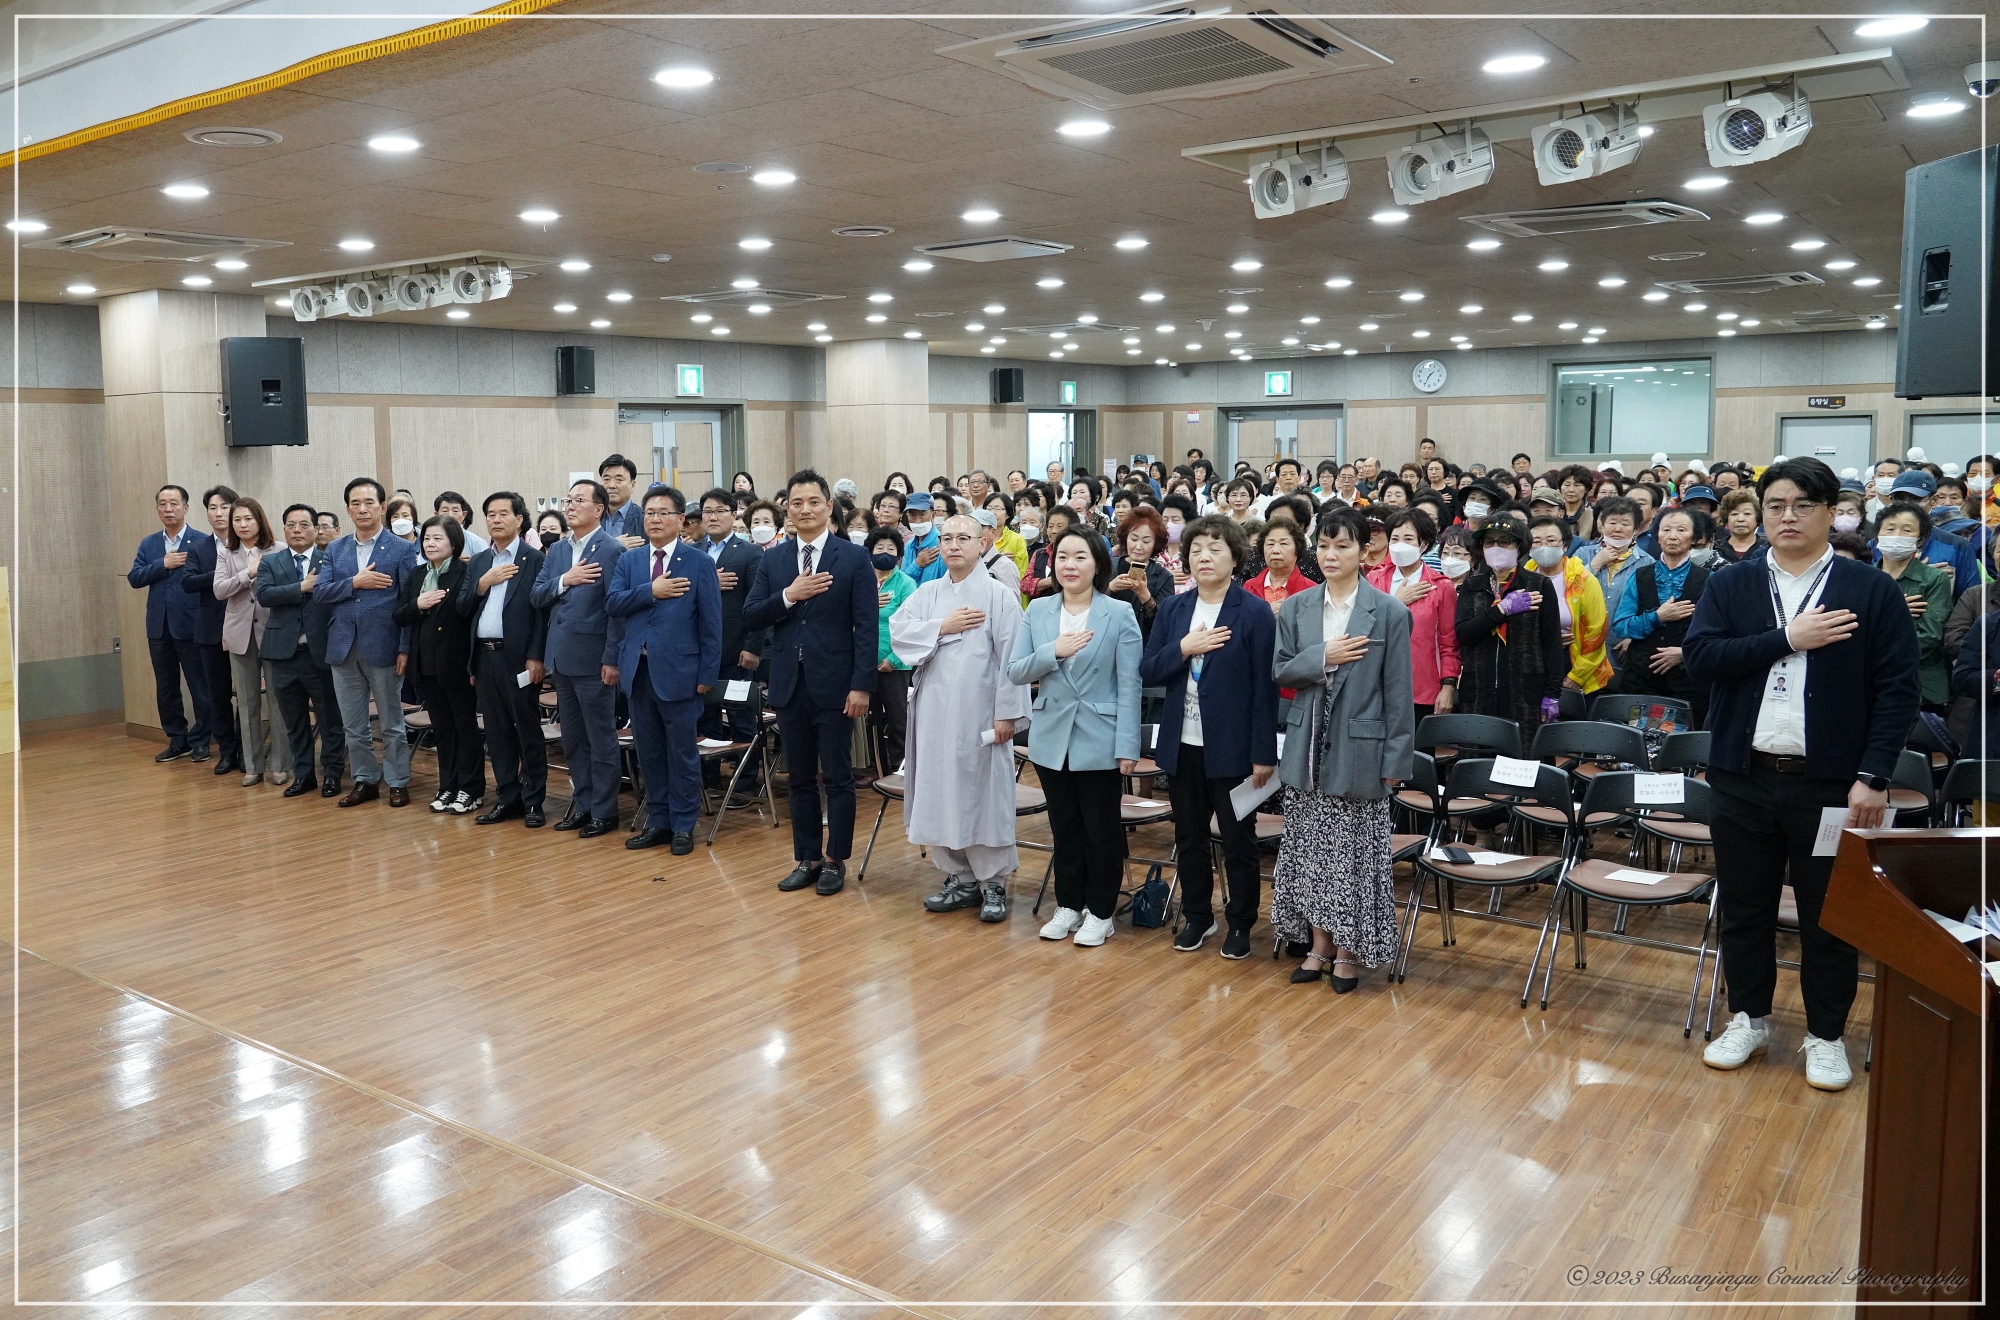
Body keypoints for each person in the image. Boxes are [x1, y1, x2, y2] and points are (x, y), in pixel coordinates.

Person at [1684, 456, 1921, 1091]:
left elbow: (1898, 691)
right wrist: (1788, 637)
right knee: (1745, 907)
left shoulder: (1869, 589)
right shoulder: (1730, 584)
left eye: (1802, 506)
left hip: (1831, 783)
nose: (1787, 517)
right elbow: (1702, 659)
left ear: (1832, 514)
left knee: (1828, 915)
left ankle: (1826, 1033)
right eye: (1774, 507)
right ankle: (1749, 1017)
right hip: (1742, 776)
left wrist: (1873, 775)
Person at [1138, 515, 1278, 959]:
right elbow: (1149, 669)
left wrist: (1262, 754)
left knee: (1238, 841)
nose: (1204, 556)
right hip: (1183, 744)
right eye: (1197, 549)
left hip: (1233, 746)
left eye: (1215, 548)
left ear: (1235, 557)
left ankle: (1240, 922)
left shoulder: (1253, 611)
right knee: (1190, 835)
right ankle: (1198, 915)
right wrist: (1184, 649)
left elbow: (1265, 688)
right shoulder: (1175, 609)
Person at [743, 469, 879, 897]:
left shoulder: (853, 557)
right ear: (787, 509)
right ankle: (807, 858)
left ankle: (836, 859)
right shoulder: (775, 558)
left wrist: (862, 685)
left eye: (813, 502)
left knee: (837, 776)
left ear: (828, 507)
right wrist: (790, 595)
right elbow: (751, 615)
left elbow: (866, 627)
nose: (805, 509)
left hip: (837, 684)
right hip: (788, 682)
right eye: (796, 503)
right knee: (799, 777)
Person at [1009, 527, 1144, 948]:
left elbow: (1130, 685)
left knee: (1100, 828)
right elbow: (1016, 671)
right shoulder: (1039, 610)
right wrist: (1055, 650)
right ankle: (1068, 904)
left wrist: (1127, 746)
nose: (1070, 564)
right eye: (1063, 556)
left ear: (1098, 564)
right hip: (1051, 736)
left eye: (1080, 556)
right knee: (1063, 825)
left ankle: (1101, 911)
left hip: (1101, 735)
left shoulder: (1119, 613)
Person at [890, 514, 1030, 922]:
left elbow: (1012, 659)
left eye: (963, 538)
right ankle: (960, 878)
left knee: (982, 794)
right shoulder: (928, 592)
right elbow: (900, 634)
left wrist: (1008, 713)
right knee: (939, 790)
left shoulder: (998, 596)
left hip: (980, 711)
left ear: (982, 543)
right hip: (933, 709)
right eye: (946, 537)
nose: (953, 545)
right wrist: (943, 626)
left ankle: (994, 885)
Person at [606, 486, 723, 853]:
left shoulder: (699, 562)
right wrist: (651, 591)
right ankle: (658, 821)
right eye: (649, 513)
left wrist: (706, 676)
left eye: (662, 512)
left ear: (680, 520)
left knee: (682, 753)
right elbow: (613, 603)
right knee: (649, 752)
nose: (654, 519)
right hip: (637, 673)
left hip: (681, 674)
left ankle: (684, 825)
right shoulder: (630, 561)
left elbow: (711, 625)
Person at [530, 479, 629, 838]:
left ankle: (605, 811)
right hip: (561, 658)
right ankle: (583, 805)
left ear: (599, 508)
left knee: (600, 738)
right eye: (567, 500)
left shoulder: (612, 550)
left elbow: (616, 612)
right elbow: (537, 595)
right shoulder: (556, 551)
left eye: (578, 501)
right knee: (572, 739)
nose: (570, 506)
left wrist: (612, 658)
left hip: (595, 658)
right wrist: (566, 580)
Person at [316, 478, 419, 808]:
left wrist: (405, 648)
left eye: (368, 502)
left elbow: (408, 603)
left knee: (391, 722)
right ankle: (365, 779)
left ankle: (398, 780)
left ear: (382, 507)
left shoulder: (402, 549)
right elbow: (320, 592)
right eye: (355, 503)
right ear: (347, 509)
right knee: (354, 725)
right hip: (343, 646)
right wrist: (355, 582)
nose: (362, 508)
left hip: (385, 645)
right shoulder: (336, 548)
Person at [457, 492, 549, 826]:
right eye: (490, 514)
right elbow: (462, 608)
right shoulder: (480, 561)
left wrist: (536, 656)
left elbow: (542, 614)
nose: (495, 520)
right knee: (495, 734)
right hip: (484, 657)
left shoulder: (535, 559)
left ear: (519, 519)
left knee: (527, 731)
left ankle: (534, 801)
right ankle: (507, 798)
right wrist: (482, 584)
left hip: (519, 660)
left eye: (502, 514)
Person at [394, 516, 485, 814]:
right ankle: (448, 787)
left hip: (457, 665)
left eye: (438, 539)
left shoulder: (465, 572)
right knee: (443, 729)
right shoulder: (418, 574)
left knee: (465, 728)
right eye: (427, 539)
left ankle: (470, 790)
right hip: (426, 665)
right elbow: (399, 615)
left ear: (454, 542)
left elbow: (468, 615)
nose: (430, 544)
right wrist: (418, 605)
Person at [257, 503, 346, 798]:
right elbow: (265, 595)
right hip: (283, 654)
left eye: (304, 524)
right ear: (283, 529)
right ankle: (304, 776)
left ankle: (333, 775)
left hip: (320, 653)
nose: (298, 530)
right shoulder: (271, 561)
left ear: (316, 529)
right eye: (291, 525)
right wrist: (301, 587)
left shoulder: (330, 558)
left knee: (330, 720)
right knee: (294, 722)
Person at [130, 485, 218, 763]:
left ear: (186, 508)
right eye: (163, 504)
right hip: (158, 626)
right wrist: (162, 564)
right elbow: (135, 578)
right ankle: (177, 739)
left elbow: (211, 582)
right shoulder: (149, 544)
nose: (168, 509)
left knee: (199, 686)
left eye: (174, 504)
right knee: (166, 687)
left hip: (192, 624)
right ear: (157, 509)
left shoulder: (202, 541)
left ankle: (202, 739)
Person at [1455, 518, 1565, 739]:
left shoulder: (1539, 585)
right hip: (1478, 691)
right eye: (1489, 542)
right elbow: (1464, 633)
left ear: (1519, 546)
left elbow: (1552, 644)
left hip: (1524, 694)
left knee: (1520, 759)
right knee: (1478, 759)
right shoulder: (1472, 585)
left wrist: (1552, 693)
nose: (1496, 548)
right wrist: (1501, 610)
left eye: (1504, 542)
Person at [691, 489, 769, 776]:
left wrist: (753, 647)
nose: (713, 516)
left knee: (740, 719)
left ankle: (745, 781)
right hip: (698, 650)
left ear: (733, 514)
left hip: (735, 649)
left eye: (720, 510)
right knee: (704, 718)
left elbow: (758, 603)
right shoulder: (692, 551)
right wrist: (709, 581)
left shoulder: (749, 553)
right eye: (707, 511)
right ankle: (710, 778)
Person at [1609, 506, 1710, 723]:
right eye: (1666, 530)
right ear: (1657, 536)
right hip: (1641, 679)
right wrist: (1657, 617)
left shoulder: (1709, 580)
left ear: (1695, 537)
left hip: (1689, 681)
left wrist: (1685, 653)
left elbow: (1718, 634)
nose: (1673, 536)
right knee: (1636, 744)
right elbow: (1621, 625)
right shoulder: (1640, 576)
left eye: (1681, 530)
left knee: (1683, 746)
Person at [213, 496, 286, 786]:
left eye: (248, 519)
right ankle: (253, 767)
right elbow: (219, 589)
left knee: (279, 704)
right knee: (247, 703)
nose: (242, 525)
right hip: (239, 635)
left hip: (273, 633)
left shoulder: (278, 549)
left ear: (260, 521)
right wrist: (248, 573)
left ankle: (280, 764)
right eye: (237, 520)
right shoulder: (225, 553)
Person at [1367, 508, 1459, 721]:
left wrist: (1447, 686)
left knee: (1418, 752)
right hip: (1375, 684)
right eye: (1395, 538)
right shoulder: (1374, 579)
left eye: (1408, 538)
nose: (1399, 544)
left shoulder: (1440, 586)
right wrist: (1396, 603)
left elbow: (1448, 643)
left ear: (1424, 544)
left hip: (1422, 687)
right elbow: (1362, 626)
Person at [179, 485, 242, 774]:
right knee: (217, 695)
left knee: (248, 693)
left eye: (224, 507)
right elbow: (188, 582)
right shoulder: (199, 548)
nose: (218, 513)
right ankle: (227, 751)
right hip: (210, 631)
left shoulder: (247, 544)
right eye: (213, 508)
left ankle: (248, 749)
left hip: (244, 629)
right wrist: (221, 575)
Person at [1874, 502, 1952, 713]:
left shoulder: (1933, 579)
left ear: (1920, 540)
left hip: (1921, 687)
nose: (1896, 534)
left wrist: (1875, 651)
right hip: (1870, 684)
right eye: (1890, 528)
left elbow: (1930, 636)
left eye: (1907, 529)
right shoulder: (1865, 578)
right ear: (1878, 535)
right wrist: (1895, 612)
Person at [1526, 515, 1612, 698]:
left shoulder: (1584, 580)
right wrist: (1547, 640)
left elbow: (1596, 634)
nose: (1543, 547)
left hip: (1573, 662)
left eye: (1550, 541)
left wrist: (1576, 677)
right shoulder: (1522, 578)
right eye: (1537, 541)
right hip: (1530, 664)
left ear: (1564, 545)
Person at [1575, 496, 1655, 684]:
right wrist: (1595, 564)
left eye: (1625, 523)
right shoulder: (1583, 554)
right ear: (1601, 526)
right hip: (1581, 645)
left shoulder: (1647, 563)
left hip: (1622, 648)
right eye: (1612, 522)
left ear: (1636, 529)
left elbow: (1650, 607)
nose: (1618, 529)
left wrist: (1634, 637)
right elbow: (1569, 592)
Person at [864, 527, 917, 773]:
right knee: (868, 720)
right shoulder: (862, 580)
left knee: (897, 720)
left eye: (890, 549)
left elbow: (913, 626)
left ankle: (900, 768)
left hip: (894, 664)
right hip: (864, 662)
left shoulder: (906, 583)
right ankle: (875, 767)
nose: (884, 553)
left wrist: (894, 659)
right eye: (879, 548)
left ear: (899, 555)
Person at [1109, 506, 1174, 639]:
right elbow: (1087, 605)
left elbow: (1164, 623)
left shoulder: (1164, 577)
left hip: (1143, 643)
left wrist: (1145, 596)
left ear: (1155, 543)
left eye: (1146, 541)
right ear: (1125, 538)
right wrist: (1109, 588)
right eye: (1133, 539)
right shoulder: (1108, 566)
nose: (1138, 546)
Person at [1246, 519, 1314, 620]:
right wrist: (1266, 614)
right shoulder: (1249, 587)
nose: (1275, 550)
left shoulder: (1311, 590)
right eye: (1270, 544)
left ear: (1297, 549)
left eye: (1283, 544)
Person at [971, 508, 1023, 598]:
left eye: (979, 527)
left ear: (992, 532)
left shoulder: (1005, 566)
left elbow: (1011, 605)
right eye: (970, 527)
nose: (972, 531)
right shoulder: (964, 561)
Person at [900, 492, 946, 586]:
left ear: (933, 516)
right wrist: (916, 565)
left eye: (922, 514)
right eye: (912, 515)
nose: (917, 521)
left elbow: (946, 584)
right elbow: (901, 582)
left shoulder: (943, 544)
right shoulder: (909, 545)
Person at [600, 454, 647, 544]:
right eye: (606, 479)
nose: (611, 485)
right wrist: (615, 545)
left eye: (619, 480)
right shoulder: (593, 517)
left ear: (632, 485)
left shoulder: (644, 518)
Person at [1716, 489, 1767, 565]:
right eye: (1734, 514)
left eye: (1747, 514)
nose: (1740, 519)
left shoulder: (1768, 548)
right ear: (1727, 518)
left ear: (1757, 517)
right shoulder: (1715, 549)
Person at [433, 490, 489, 556]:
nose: (450, 515)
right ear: (436, 515)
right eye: (445, 511)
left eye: (455, 511)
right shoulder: (429, 541)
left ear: (464, 515)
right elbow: (422, 565)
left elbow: (485, 565)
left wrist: (470, 563)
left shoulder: (477, 542)